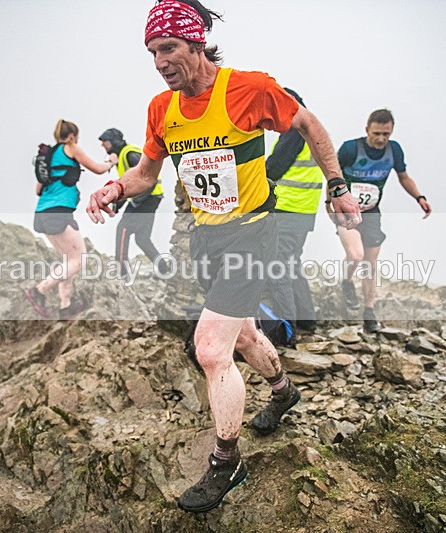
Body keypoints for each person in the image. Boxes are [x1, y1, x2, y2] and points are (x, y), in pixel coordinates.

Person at [86, 0, 361, 513]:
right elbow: (148, 171)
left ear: (195, 43)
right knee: (245, 331)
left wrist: (337, 185)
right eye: (151, 52)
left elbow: (309, 125)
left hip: (253, 232)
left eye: (168, 48)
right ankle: (282, 390)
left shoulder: (248, 88)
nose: (160, 61)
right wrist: (115, 188)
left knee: (212, 348)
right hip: (207, 238)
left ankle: (226, 460)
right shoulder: (160, 109)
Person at [329, 109, 432, 333]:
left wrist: (419, 197)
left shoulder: (393, 151)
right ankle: (346, 282)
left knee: (370, 263)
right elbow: (332, 175)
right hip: (346, 209)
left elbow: (403, 177)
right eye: (377, 133)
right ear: (367, 130)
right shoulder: (350, 149)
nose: (381, 139)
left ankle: (369, 310)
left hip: (372, 212)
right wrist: (330, 205)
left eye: (386, 134)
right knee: (355, 255)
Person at [24, 119, 118, 320]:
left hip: (42, 213)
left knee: (69, 259)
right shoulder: (71, 147)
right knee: (79, 259)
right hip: (58, 212)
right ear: (73, 135)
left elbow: (38, 189)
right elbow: (98, 169)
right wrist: (112, 161)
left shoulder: (49, 156)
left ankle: (65, 307)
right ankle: (38, 290)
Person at [264, 88, 324, 337]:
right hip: (304, 212)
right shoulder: (314, 130)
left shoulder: (295, 132)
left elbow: (273, 168)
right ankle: (307, 320)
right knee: (292, 264)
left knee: (278, 268)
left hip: (287, 210)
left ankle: (286, 329)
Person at [98, 127, 166, 276]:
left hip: (146, 198)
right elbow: (128, 187)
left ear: (115, 142)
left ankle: (121, 272)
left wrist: (136, 202)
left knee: (123, 229)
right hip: (151, 198)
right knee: (142, 239)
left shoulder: (129, 154)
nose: (103, 146)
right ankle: (164, 268)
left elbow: (148, 178)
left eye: (106, 142)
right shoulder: (123, 155)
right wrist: (117, 206)